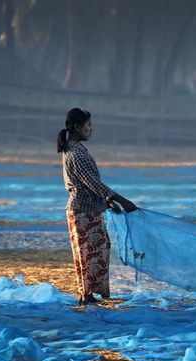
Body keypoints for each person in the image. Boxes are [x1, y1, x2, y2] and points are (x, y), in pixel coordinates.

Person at [57, 108, 138, 305]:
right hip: (82, 211)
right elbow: (93, 183)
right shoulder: (76, 153)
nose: (91, 129)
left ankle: (89, 294)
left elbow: (89, 184)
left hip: (87, 209)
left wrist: (108, 202)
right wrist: (122, 200)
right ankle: (87, 295)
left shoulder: (74, 149)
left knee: (97, 249)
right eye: (88, 126)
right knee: (90, 253)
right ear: (77, 127)